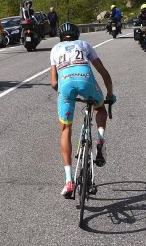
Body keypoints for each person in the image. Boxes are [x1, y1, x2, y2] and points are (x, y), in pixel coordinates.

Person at [50, 22, 116, 198]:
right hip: (87, 82)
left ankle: (69, 181)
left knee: (65, 129)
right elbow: (104, 72)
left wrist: (66, 94)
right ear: (77, 35)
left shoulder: (55, 49)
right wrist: (110, 94)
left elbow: (54, 83)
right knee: (100, 108)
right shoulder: (85, 45)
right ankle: (100, 141)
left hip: (65, 88)